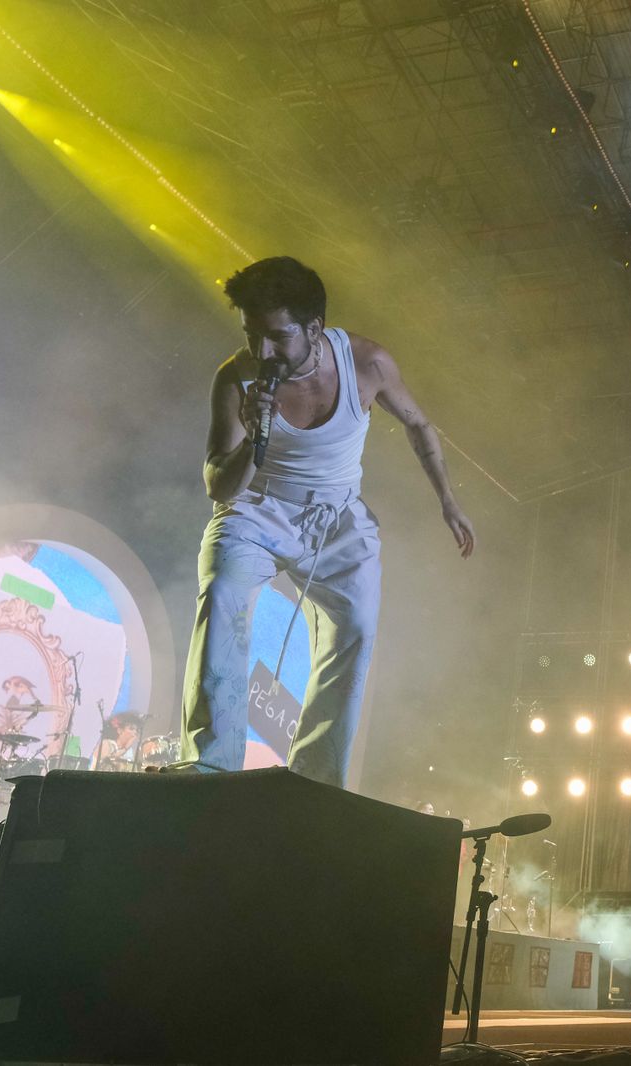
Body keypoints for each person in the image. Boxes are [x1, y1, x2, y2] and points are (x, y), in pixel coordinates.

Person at [176, 257, 474, 787]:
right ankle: (210, 765)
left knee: (355, 628)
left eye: (275, 337)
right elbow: (218, 488)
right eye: (251, 336)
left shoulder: (367, 363)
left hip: (335, 516)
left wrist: (447, 501)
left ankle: (314, 780)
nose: (262, 353)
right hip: (256, 508)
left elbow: (419, 425)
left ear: (314, 328)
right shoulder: (236, 379)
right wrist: (255, 435)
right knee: (222, 591)